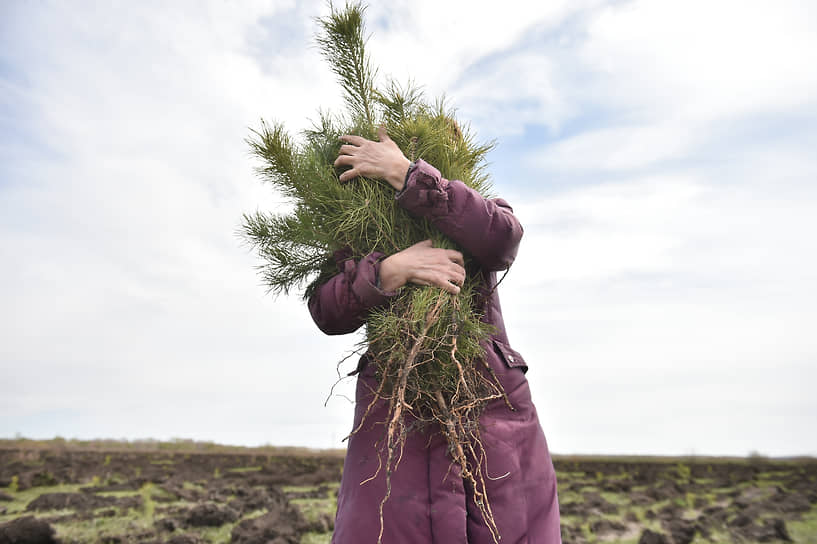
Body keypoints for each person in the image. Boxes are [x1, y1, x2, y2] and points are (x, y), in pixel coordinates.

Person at [308, 127, 562, 543]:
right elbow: (326, 309)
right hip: (397, 415)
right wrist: (390, 270)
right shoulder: (362, 229)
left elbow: (503, 239)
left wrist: (407, 175)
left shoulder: (474, 205)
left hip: (489, 412)